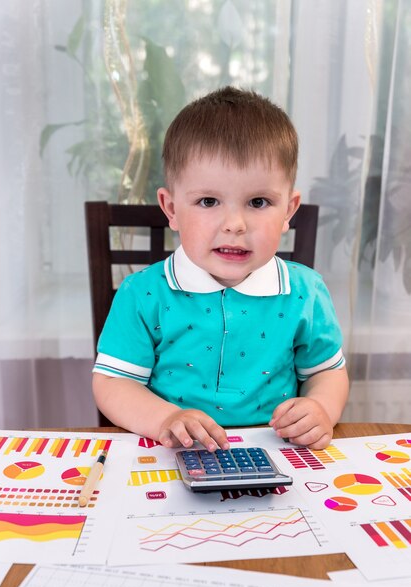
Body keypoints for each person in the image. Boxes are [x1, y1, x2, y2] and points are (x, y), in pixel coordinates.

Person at [92, 86, 349, 452]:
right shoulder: (142, 294)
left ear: (288, 212)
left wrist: (321, 407)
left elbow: (326, 371)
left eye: (258, 202)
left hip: (278, 453)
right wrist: (165, 419)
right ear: (172, 209)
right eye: (208, 201)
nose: (235, 224)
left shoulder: (305, 291)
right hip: (172, 453)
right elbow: (113, 383)